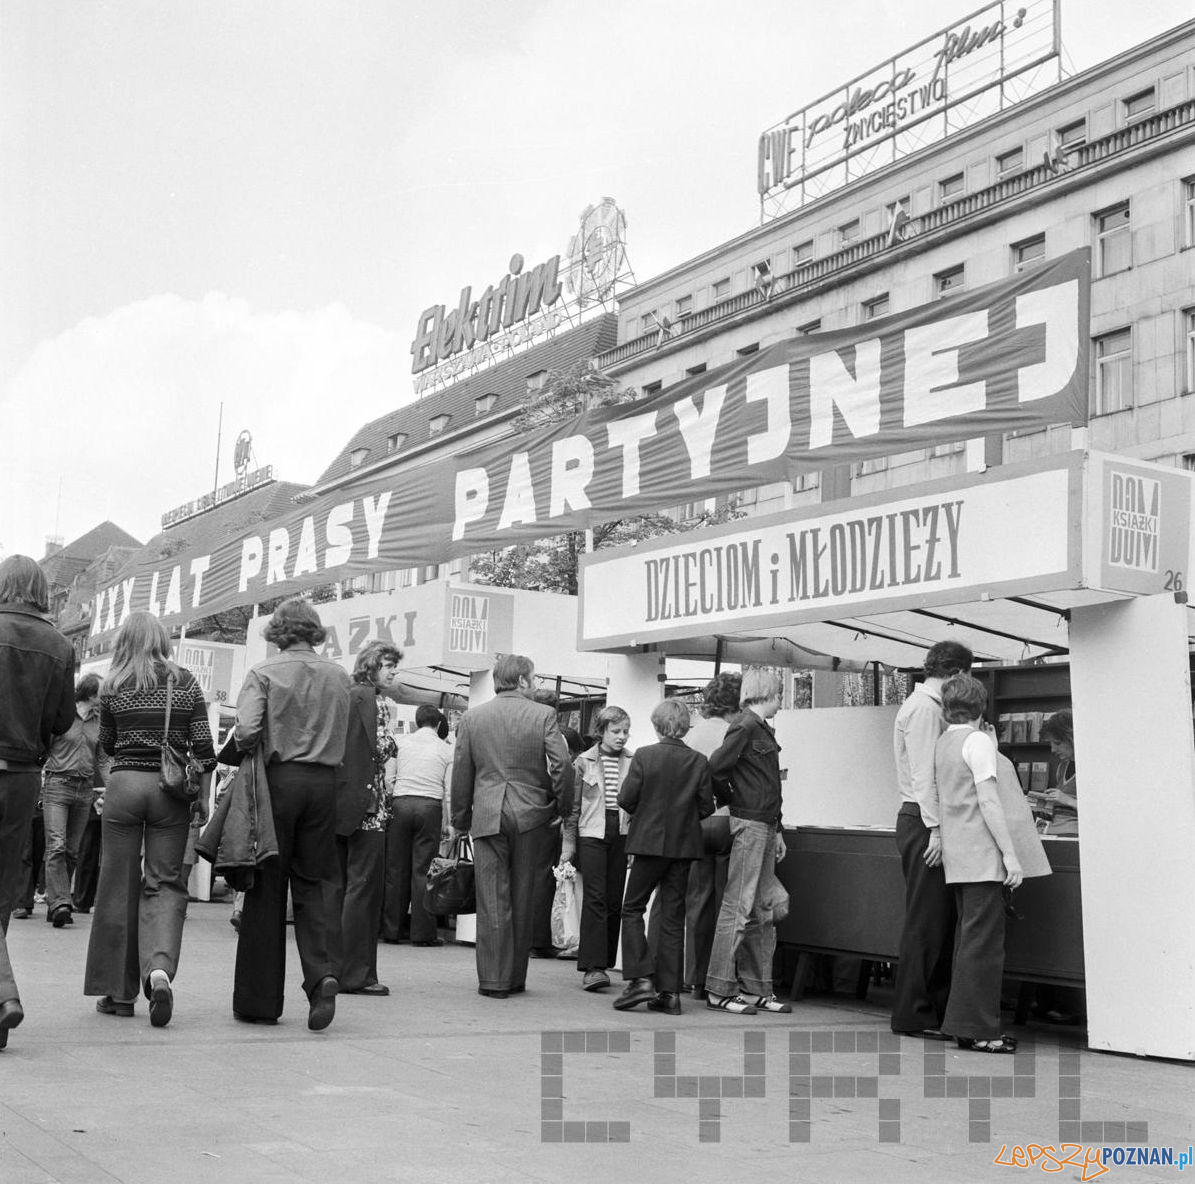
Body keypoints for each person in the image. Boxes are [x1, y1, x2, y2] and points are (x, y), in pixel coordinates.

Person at [84, 612, 216, 1028]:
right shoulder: (185, 681)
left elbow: (107, 745)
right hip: (168, 791)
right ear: (161, 639)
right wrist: (203, 798)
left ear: (124, 641)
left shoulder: (113, 684)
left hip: (124, 787)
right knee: (165, 882)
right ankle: (159, 971)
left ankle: (119, 994)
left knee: (117, 885)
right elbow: (205, 749)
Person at [231, 598, 351, 1030]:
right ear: (313, 630)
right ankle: (323, 975)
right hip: (324, 785)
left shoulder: (264, 673)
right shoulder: (339, 675)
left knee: (266, 886)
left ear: (278, 632)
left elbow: (247, 730)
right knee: (315, 885)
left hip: (277, 783)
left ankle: (259, 1000)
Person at [935, 675, 1050, 1053]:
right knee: (984, 947)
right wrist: (1010, 854)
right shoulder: (978, 742)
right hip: (984, 854)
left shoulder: (944, 743)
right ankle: (981, 1031)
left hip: (958, 855)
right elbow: (988, 800)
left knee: (969, 942)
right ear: (981, 707)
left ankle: (965, 1025)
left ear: (946, 708)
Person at [450, 654, 570, 999]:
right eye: (534, 678)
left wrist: (460, 819)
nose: (536, 683)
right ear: (522, 680)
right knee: (523, 897)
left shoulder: (472, 718)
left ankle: (493, 980)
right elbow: (562, 765)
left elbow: (462, 771)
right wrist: (561, 807)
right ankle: (515, 977)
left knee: (492, 899)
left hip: (488, 814)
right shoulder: (543, 714)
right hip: (532, 814)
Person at [0, 555, 76, 1049]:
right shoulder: (60, 645)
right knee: (4, 885)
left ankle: (4, 993)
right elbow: (63, 720)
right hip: (24, 775)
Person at [890, 639, 973, 1040]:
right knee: (928, 921)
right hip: (924, 820)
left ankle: (928, 1010)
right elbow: (925, 775)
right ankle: (915, 1012)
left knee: (934, 920)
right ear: (957, 672)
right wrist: (936, 829)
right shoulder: (925, 709)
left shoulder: (922, 705)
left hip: (922, 818)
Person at [613, 698, 714, 1015]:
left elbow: (626, 798)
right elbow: (706, 807)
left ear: (657, 726)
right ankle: (670, 993)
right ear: (685, 726)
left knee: (632, 908)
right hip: (683, 847)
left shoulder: (645, 755)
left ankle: (640, 977)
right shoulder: (698, 761)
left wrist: (646, 812)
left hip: (648, 843)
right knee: (673, 917)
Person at [704, 668, 791, 1016]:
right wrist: (735, 801)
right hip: (753, 823)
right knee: (741, 907)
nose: (781, 702)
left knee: (758, 910)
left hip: (761, 824)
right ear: (766, 694)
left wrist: (775, 827)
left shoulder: (753, 726)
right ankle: (721, 989)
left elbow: (721, 771)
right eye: (779, 695)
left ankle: (752, 989)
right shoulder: (747, 726)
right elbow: (715, 767)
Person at [335, 641, 402, 994]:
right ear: (372, 666)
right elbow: (382, 747)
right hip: (369, 807)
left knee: (342, 888)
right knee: (364, 890)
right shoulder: (375, 701)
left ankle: (336, 969)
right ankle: (357, 974)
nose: (393, 672)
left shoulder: (345, 694)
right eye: (388, 665)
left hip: (342, 803)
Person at [560, 705, 633, 992]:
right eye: (616, 731)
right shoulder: (584, 761)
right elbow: (573, 807)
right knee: (595, 898)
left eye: (625, 731)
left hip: (621, 832)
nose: (622, 736)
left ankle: (605, 961)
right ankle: (593, 967)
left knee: (615, 900)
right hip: (591, 832)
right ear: (601, 731)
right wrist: (568, 845)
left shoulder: (633, 761)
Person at [680, 672, 740, 1000]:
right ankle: (720, 976)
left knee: (697, 901)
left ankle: (694, 977)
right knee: (727, 903)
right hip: (728, 821)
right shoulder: (736, 733)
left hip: (696, 824)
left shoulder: (692, 735)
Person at [382, 705, 453, 948]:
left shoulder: (401, 743)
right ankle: (422, 934)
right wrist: (449, 823)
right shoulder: (446, 750)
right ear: (438, 724)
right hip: (429, 807)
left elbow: (388, 778)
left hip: (401, 804)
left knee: (395, 869)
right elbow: (448, 791)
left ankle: (391, 930)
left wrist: (396, 795)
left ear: (416, 721)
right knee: (423, 871)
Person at [41, 673, 103, 928]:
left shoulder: (99, 722)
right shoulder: (64, 716)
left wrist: (111, 786)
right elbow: (44, 746)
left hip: (84, 788)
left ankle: (57, 902)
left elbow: (103, 758)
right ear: (90, 694)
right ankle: (61, 903)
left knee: (72, 851)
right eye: (102, 692)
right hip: (58, 784)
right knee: (56, 845)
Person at [1040, 710, 1078, 836]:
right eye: (1051, 744)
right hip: (1051, 831)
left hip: (1074, 833)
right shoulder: (1061, 767)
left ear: (1072, 738)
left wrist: (1066, 800)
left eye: (1057, 743)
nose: (1053, 749)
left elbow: (1100, 812)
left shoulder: (1090, 770)